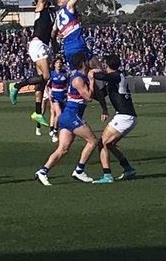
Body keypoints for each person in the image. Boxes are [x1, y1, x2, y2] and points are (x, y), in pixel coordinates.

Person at [8, 0, 70, 129]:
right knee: (47, 77)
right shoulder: (40, 6)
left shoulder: (52, 13)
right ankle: (16, 86)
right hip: (37, 44)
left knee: (41, 82)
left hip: (45, 46)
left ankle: (37, 112)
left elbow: (52, 35)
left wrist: (56, 45)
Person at [35, 52, 98, 185]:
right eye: (86, 61)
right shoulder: (79, 79)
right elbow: (88, 97)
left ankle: (43, 171)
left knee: (62, 149)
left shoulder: (78, 77)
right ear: (83, 63)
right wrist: (92, 81)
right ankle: (79, 170)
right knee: (92, 141)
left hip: (67, 116)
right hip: (72, 116)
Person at [93, 54, 137, 183]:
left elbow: (102, 76)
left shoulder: (117, 76)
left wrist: (92, 73)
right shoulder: (114, 79)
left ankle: (107, 175)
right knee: (110, 144)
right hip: (125, 116)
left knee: (103, 143)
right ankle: (128, 168)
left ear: (107, 65)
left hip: (125, 116)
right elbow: (100, 95)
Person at [53, 0, 94, 69]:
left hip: (68, 49)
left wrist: (57, 41)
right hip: (78, 45)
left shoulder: (57, 18)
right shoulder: (68, 6)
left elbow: (53, 34)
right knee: (96, 70)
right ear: (59, 3)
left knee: (75, 74)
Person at [46, 55, 69, 142]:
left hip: (63, 97)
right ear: (54, 64)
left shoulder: (65, 73)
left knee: (62, 115)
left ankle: (58, 129)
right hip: (55, 97)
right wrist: (49, 94)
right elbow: (47, 85)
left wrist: (68, 93)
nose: (59, 64)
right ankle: (55, 132)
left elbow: (68, 85)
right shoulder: (52, 74)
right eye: (57, 63)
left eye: (60, 63)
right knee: (58, 114)